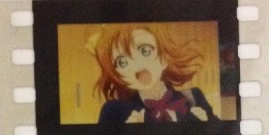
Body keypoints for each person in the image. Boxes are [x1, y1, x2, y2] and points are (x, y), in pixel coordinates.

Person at [89, 23, 217, 123]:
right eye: (122, 62)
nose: (137, 66)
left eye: (145, 51)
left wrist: (203, 128)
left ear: (165, 58)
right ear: (118, 74)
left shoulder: (194, 98)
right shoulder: (114, 112)